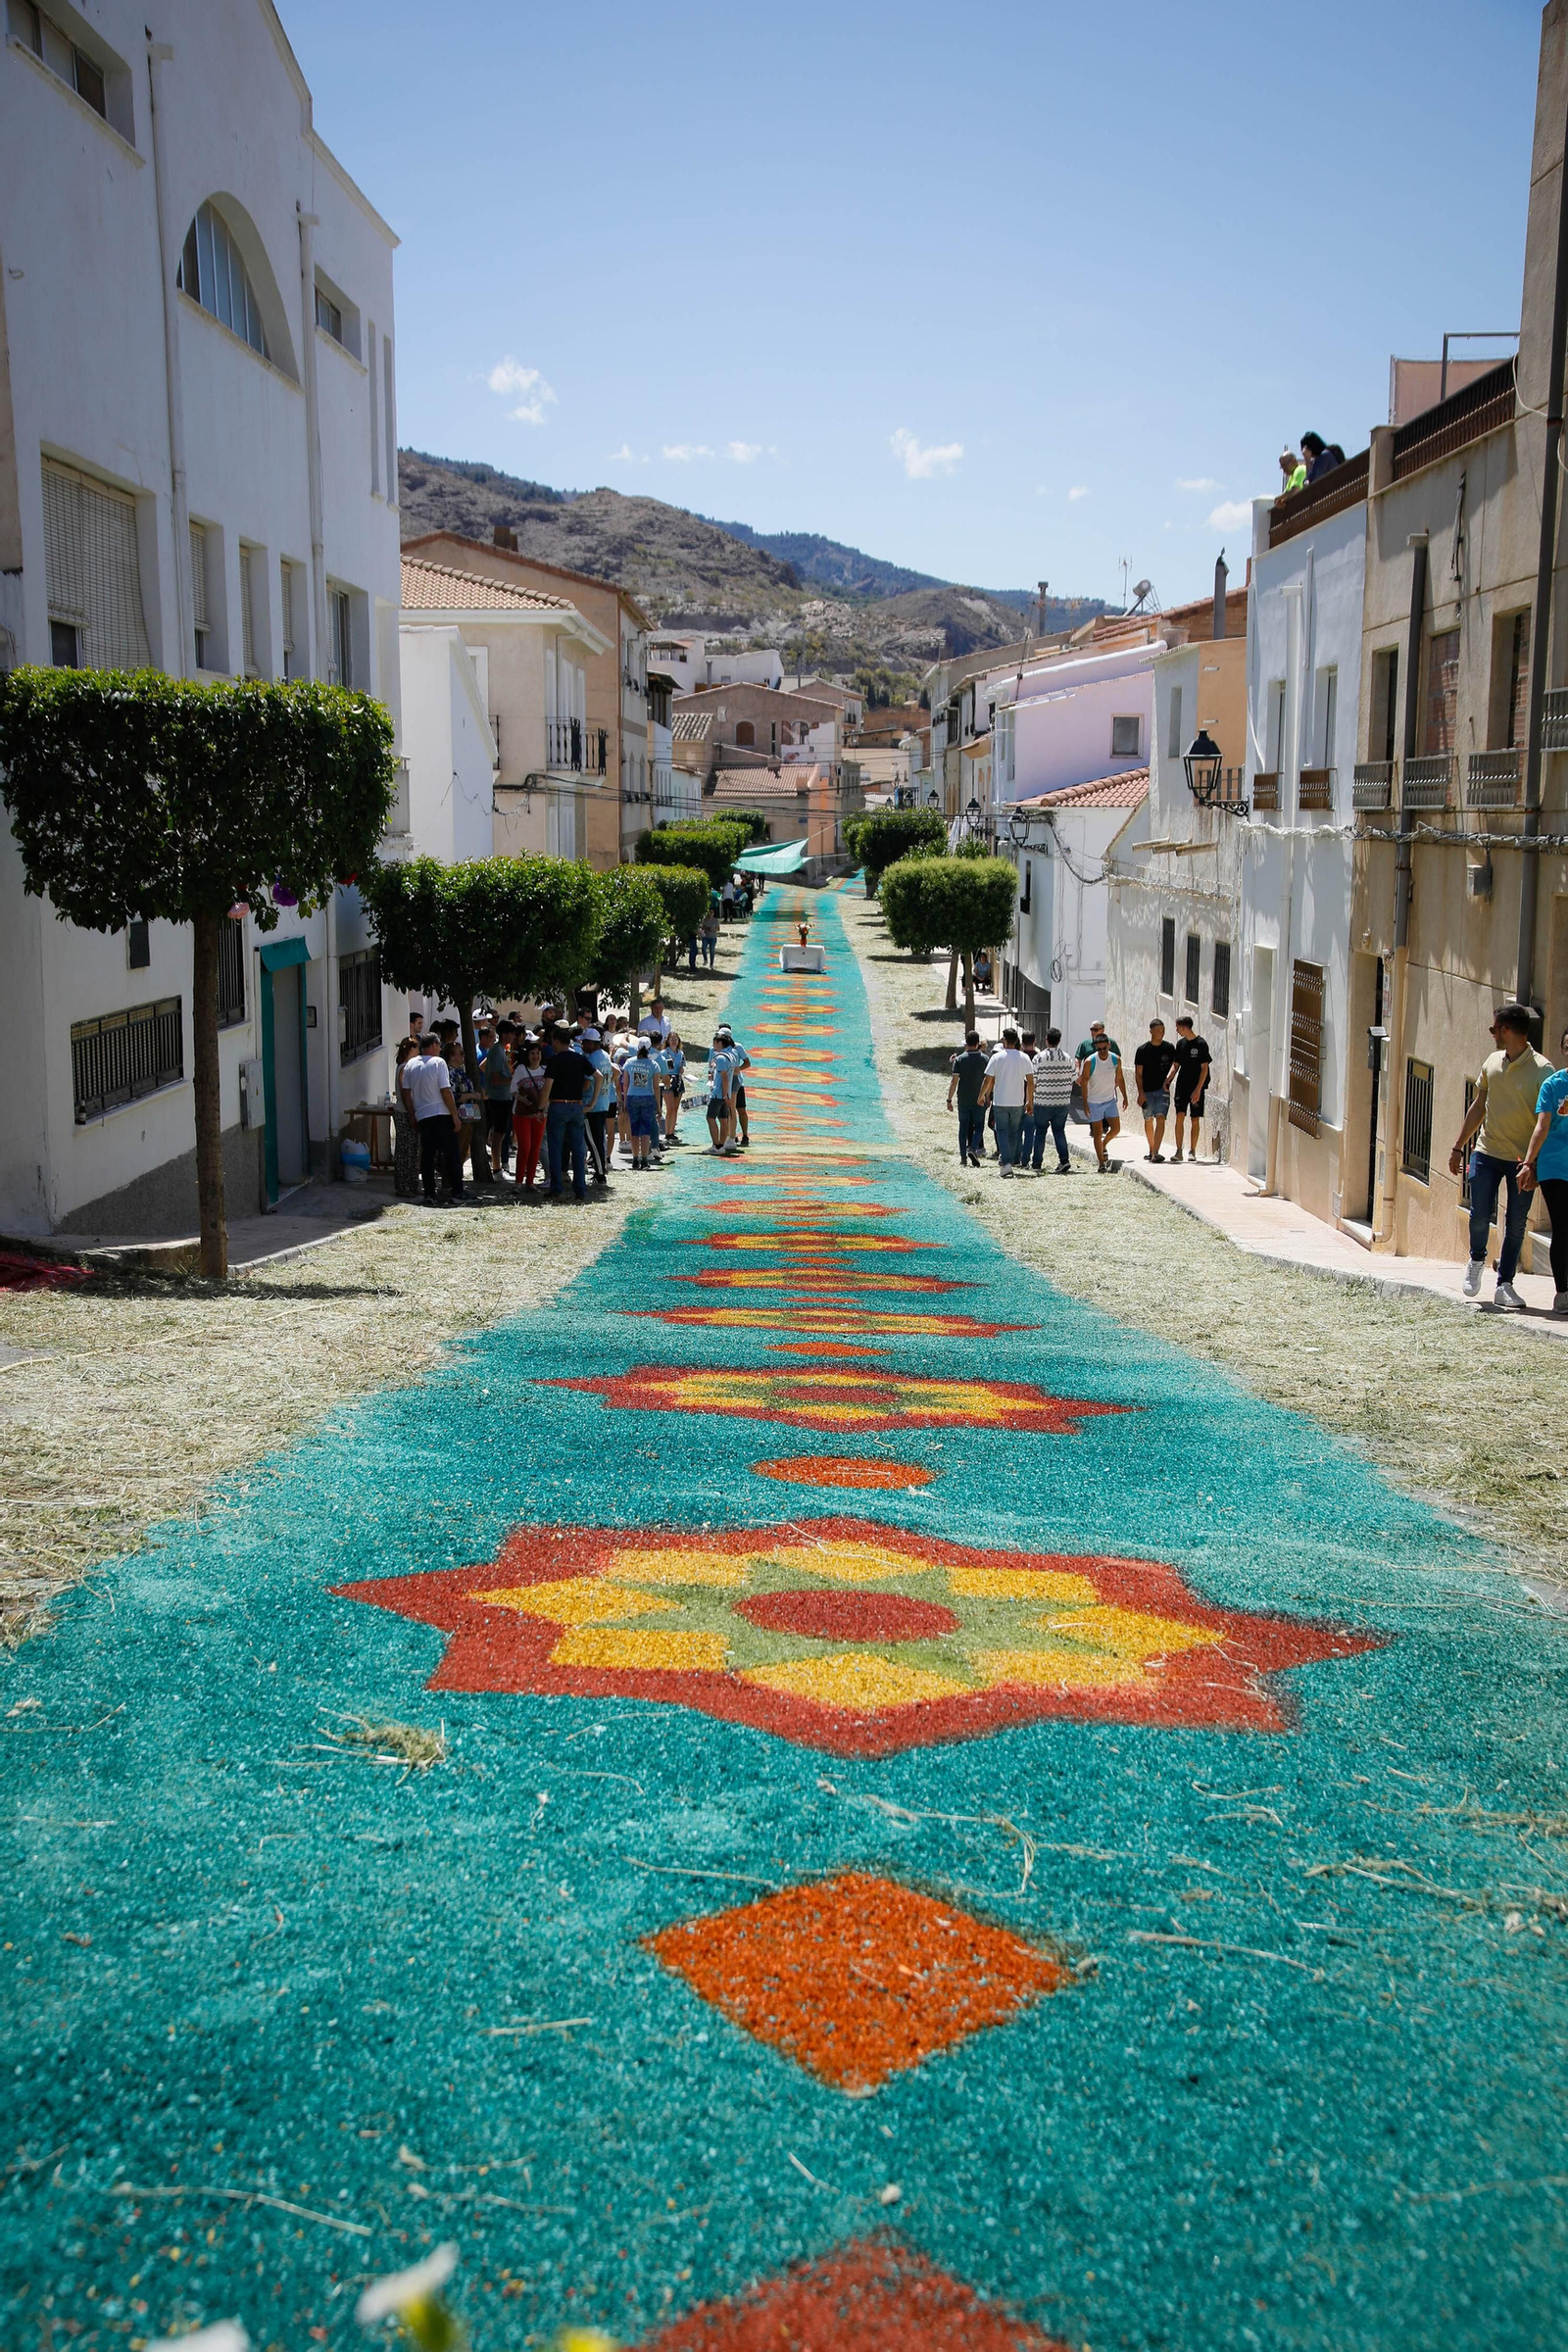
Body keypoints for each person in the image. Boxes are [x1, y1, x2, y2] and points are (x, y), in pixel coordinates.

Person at [1448, 1003, 1554, 1309]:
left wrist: (1535, 1164)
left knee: (1517, 1223)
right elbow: (1478, 1107)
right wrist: (1458, 1146)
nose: (1492, 1033)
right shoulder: (1492, 1062)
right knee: (1479, 1213)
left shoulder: (1543, 1070)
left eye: (1495, 1028)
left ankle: (1505, 1283)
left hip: (1522, 1161)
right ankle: (1477, 1259)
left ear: (1506, 1030)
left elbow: (1544, 1123)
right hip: (1486, 1152)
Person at [1519, 1023, 1568, 1315]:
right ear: (1563, 1050)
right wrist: (1528, 1163)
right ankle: (1562, 1292)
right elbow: (1542, 1126)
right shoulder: (1553, 1085)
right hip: (1555, 1166)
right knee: (1562, 1228)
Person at [406, 1030, 465, 1203]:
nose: (440, 1048)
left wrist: (413, 1115)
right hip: (441, 1113)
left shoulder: (410, 1065)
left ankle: (429, 1193)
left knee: (428, 1156)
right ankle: (457, 1191)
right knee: (452, 1154)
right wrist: (455, 1116)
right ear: (433, 1045)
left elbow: (406, 1093)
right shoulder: (439, 1062)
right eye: (439, 1045)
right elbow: (445, 1091)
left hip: (423, 1115)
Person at [540, 1022, 592, 1202]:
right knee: (578, 1150)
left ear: (556, 1041)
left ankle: (557, 1188)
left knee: (555, 1148)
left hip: (558, 1105)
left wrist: (540, 1106)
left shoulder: (554, 1061)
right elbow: (596, 1077)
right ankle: (580, 1189)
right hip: (576, 1105)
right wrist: (590, 1101)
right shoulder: (579, 1058)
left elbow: (548, 1086)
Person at [978, 1026, 1034, 1177]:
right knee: (1015, 1132)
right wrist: (1030, 1101)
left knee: (1002, 1131)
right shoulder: (1024, 1058)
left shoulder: (997, 1058)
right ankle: (1012, 1161)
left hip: (1001, 1101)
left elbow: (987, 1079)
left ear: (1004, 1040)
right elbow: (1030, 1081)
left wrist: (982, 1095)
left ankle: (1006, 1163)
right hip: (1017, 1102)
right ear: (1016, 1041)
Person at [1079, 1032, 1127, 1172]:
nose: (1102, 1052)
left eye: (1104, 1048)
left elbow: (1120, 1079)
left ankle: (1103, 1144)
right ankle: (1101, 1163)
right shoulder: (1090, 1062)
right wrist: (1085, 1103)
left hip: (1110, 1099)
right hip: (1094, 1101)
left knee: (1116, 1129)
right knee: (1097, 1131)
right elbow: (1084, 1082)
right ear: (1096, 1048)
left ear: (1109, 1046)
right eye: (1099, 1049)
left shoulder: (1115, 1059)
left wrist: (1125, 1097)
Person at [1029, 1026, 1075, 1174]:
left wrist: (1030, 1099)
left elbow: (1032, 1081)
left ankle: (1036, 1163)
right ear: (1059, 1040)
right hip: (1062, 1102)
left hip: (1043, 1101)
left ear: (1046, 1040)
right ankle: (1064, 1160)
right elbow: (1074, 1078)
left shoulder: (1039, 1058)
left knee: (1040, 1132)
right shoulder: (1068, 1058)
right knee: (1059, 1131)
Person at [1133, 1018, 1178, 1162]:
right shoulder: (1142, 1050)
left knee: (1161, 1118)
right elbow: (1138, 1073)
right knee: (1148, 1120)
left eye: (1163, 1030)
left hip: (1162, 1090)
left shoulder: (1169, 1048)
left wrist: (1169, 1080)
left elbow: (1175, 1065)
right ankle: (1151, 1149)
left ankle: (1156, 1153)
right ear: (1151, 1031)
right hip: (1146, 1090)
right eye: (1158, 1031)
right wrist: (1140, 1093)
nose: (1161, 1033)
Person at [1170, 1015, 1212, 1162]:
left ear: (1184, 1027)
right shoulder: (1180, 1044)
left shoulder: (1201, 1044)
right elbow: (1176, 1065)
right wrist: (1168, 1080)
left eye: (1177, 1027)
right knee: (1179, 1116)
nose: (1176, 1030)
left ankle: (1192, 1150)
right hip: (1182, 1086)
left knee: (1195, 1118)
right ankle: (1178, 1150)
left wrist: (1198, 1090)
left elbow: (1204, 1068)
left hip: (1196, 1087)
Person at [511, 1036, 549, 1191]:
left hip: (539, 1115)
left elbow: (549, 1091)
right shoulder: (521, 1069)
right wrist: (523, 1100)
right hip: (522, 1114)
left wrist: (545, 1104)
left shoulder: (545, 1070)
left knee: (536, 1147)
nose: (535, 1056)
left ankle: (530, 1182)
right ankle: (518, 1182)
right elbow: (512, 1090)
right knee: (524, 1146)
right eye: (532, 1053)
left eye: (538, 1053)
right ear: (527, 1055)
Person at [619, 1036, 664, 1170]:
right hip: (647, 1097)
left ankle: (634, 1159)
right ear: (650, 1048)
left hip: (632, 1096)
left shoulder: (629, 1062)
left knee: (634, 1129)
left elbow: (625, 1084)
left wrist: (625, 1100)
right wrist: (658, 1105)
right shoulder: (653, 1064)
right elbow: (656, 1087)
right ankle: (644, 1159)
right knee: (645, 1129)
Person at [477, 1019, 514, 1174]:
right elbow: (495, 1078)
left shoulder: (498, 1050)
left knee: (500, 1132)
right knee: (498, 1133)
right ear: (505, 1035)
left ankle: (497, 1166)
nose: (513, 1037)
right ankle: (497, 1167)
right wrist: (513, 1079)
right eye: (512, 1034)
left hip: (501, 1096)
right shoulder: (497, 1051)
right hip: (499, 1097)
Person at [948, 1030, 990, 1165]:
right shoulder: (985, 1059)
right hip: (979, 1098)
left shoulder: (960, 1059)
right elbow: (988, 1080)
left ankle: (963, 1157)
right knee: (978, 1126)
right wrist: (987, 1096)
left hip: (964, 1099)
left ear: (966, 1043)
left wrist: (949, 1099)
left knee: (963, 1127)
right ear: (978, 1044)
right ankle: (973, 1147)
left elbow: (954, 1081)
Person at [582, 1027, 614, 1187]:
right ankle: (600, 1171)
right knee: (599, 1139)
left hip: (591, 1105)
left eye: (584, 1042)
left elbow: (587, 1083)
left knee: (593, 1141)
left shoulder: (591, 1060)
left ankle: (600, 1175)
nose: (582, 1044)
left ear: (591, 1043)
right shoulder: (605, 1056)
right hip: (604, 1101)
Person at [391, 1038, 420, 1199]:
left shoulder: (409, 1067)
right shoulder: (404, 1068)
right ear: (410, 1050)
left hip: (412, 1111)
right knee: (405, 1150)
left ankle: (413, 1183)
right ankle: (402, 1185)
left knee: (414, 1149)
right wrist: (411, 1113)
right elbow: (405, 1092)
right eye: (416, 1049)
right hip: (404, 1112)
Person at [717, 1024, 752, 1147]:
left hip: (737, 1081)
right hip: (725, 1082)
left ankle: (745, 1134)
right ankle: (731, 1135)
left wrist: (738, 1070)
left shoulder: (737, 1047)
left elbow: (747, 1063)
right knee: (726, 1110)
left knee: (740, 1109)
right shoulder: (717, 1048)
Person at [706, 1032, 739, 1154]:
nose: (713, 1045)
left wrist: (724, 1095)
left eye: (715, 1042)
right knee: (723, 1119)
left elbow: (724, 1077)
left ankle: (717, 1145)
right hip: (726, 1093)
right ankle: (721, 1145)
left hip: (719, 1093)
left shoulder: (720, 1057)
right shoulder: (730, 1055)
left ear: (720, 1043)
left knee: (710, 1118)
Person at [663, 1029, 688, 1145]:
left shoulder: (681, 1053)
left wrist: (682, 1069)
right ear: (667, 1041)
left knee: (675, 1109)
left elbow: (682, 1066)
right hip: (668, 1079)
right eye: (671, 1039)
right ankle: (667, 1133)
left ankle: (672, 1132)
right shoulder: (664, 1053)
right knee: (670, 1108)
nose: (674, 1041)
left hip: (678, 1080)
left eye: (676, 1039)